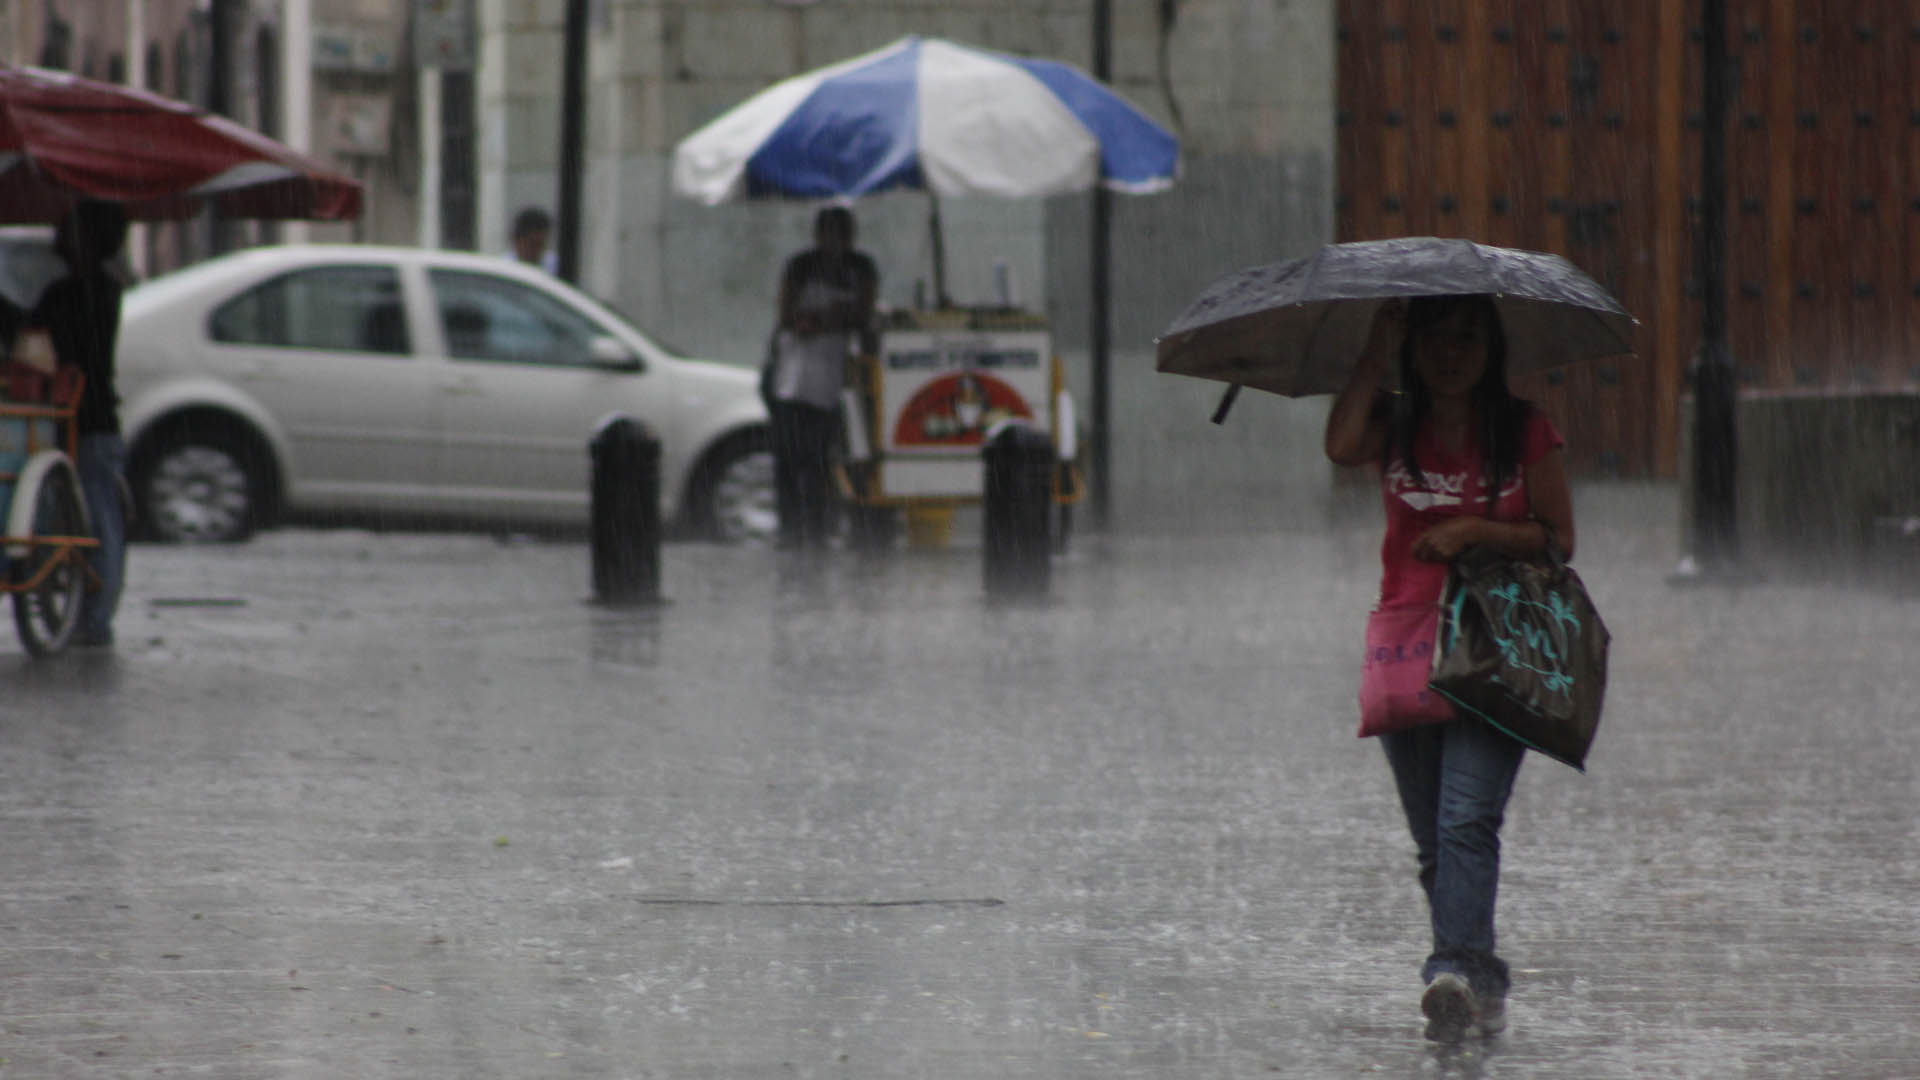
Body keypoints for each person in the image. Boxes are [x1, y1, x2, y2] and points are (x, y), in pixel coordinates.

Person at [1322, 294, 1576, 1043]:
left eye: (1466, 339)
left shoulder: (1525, 430)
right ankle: (1478, 974)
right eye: (1435, 339)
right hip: (1407, 646)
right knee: (1438, 839)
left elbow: (1559, 538)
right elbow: (1339, 446)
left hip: (1498, 648)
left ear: (1490, 347)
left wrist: (1475, 529)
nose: (1451, 354)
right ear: (1414, 348)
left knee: (1468, 820)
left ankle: (1450, 969)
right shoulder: (1396, 422)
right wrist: (1374, 351)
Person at [29, 200, 132, 648]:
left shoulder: (71, 294)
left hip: (78, 417)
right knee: (98, 515)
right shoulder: (105, 290)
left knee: (89, 516)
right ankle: (93, 610)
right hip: (92, 417)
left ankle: (92, 614)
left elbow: (43, 344)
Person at [766, 206, 878, 550]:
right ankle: (791, 526)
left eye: (840, 235)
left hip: (834, 375)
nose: (833, 243)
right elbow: (788, 314)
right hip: (792, 373)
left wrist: (826, 320)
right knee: (789, 455)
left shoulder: (860, 267)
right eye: (827, 234)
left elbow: (862, 312)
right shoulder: (800, 265)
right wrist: (815, 320)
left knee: (821, 455)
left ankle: (819, 525)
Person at [508, 205, 559, 274]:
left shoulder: (555, 267)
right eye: (531, 244)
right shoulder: (504, 268)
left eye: (539, 244)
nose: (534, 251)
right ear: (516, 241)